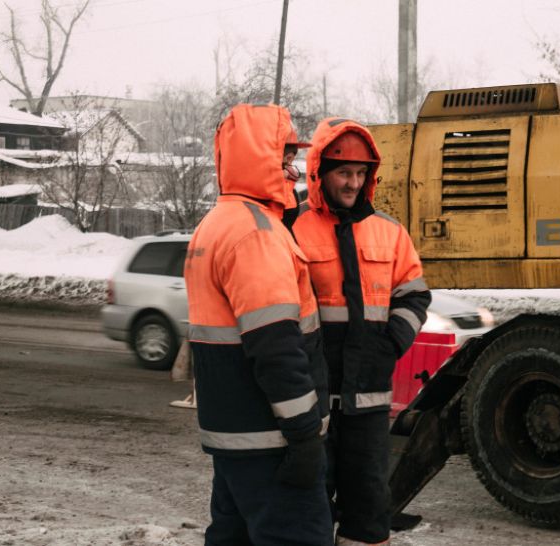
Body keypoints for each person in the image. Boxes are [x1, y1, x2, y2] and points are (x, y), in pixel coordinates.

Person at [184, 103, 332, 546]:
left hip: (236, 439)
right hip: (272, 444)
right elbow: (276, 348)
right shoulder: (256, 234)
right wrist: (305, 436)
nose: (294, 169)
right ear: (259, 157)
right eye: (285, 157)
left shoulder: (215, 225)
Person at [293, 118, 431, 545]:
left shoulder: (390, 232)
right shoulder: (293, 228)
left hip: (368, 405)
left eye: (360, 173)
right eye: (343, 173)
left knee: (370, 514)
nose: (353, 182)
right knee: (308, 511)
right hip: (312, 406)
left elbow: (414, 295)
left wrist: (390, 344)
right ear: (320, 172)